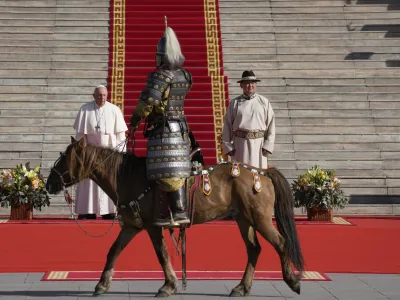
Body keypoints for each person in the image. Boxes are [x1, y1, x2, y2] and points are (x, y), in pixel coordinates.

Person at [129, 18, 192, 227]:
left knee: (168, 168)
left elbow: (147, 102)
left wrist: (135, 121)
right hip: (181, 129)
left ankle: (177, 211)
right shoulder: (184, 75)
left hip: (165, 131)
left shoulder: (161, 76)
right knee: (175, 169)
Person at [73, 85, 128, 220]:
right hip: (90, 153)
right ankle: (87, 211)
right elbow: (80, 136)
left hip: (109, 153)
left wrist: (120, 155)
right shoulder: (85, 109)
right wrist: (82, 154)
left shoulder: (114, 110)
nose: (102, 98)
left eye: (104, 95)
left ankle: (109, 211)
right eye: (99, 95)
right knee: (89, 182)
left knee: (109, 181)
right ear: (93, 96)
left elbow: (120, 135)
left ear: (107, 95)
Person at [221, 70, 275, 169]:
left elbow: (271, 125)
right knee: (241, 177)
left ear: (256, 84)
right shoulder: (234, 103)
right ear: (241, 85)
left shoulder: (264, 102)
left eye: (252, 83)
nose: (250, 85)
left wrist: (268, 145)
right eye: (246, 83)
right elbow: (227, 126)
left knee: (259, 176)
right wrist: (228, 146)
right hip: (240, 145)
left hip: (259, 145)